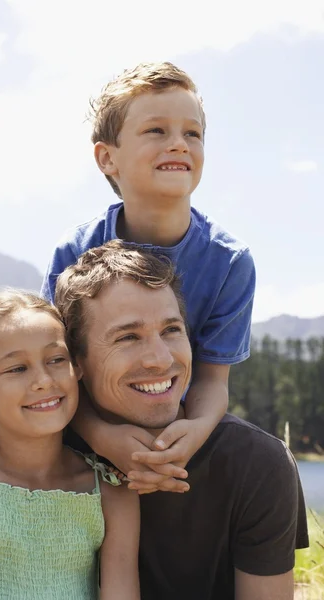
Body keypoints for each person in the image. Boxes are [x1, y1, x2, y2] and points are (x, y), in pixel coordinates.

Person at [41, 61, 256, 492]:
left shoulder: (231, 262)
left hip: (177, 427)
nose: (178, 144)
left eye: (192, 133)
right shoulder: (73, 251)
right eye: (156, 131)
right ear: (107, 158)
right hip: (86, 426)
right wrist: (102, 436)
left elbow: (213, 382)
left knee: (261, 455)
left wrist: (191, 435)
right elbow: (57, 370)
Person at [55, 241, 309, 600]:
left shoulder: (257, 464)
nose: (160, 359)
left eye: (171, 330)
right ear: (75, 361)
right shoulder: (44, 456)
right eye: (128, 337)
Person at [0, 289, 140, 600]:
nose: (43, 380)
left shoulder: (111, 492)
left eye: (56, 360)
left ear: (77, 368)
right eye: (17, 368)